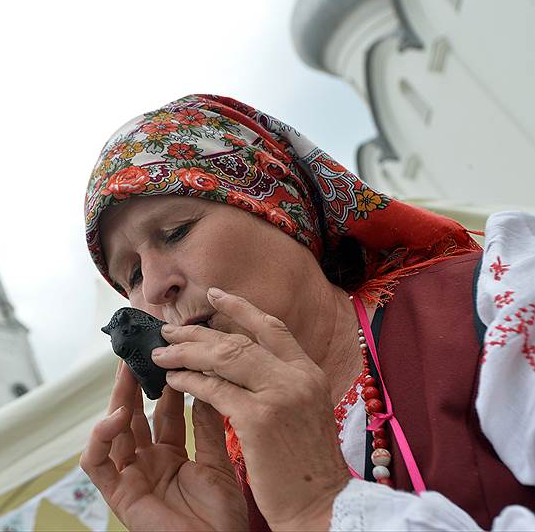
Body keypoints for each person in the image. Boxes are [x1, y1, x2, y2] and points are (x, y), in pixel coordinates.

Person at [78, 94, 535, 531]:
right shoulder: (232, 488)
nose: (157, 287)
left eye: (177, 231)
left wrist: (320, 508)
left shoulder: (498, 303)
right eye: (132, 275)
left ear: (276, 209)